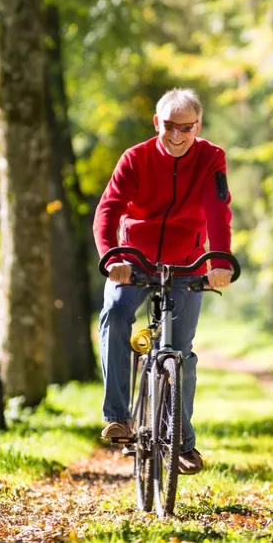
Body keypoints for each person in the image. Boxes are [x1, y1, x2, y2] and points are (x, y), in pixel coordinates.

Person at [93, 87, 234, 475]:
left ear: (198, 125)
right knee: (117, 314)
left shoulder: (210, 157)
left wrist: (219, 261)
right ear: (157, 122)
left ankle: (182, 442)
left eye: (185, 128)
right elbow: (108, 211)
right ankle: (118, 415)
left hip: (187, 264)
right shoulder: (135, 158)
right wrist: (112, 256)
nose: (176, 136)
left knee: (181, 354)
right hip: (132, 260)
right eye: (169, 126)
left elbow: (217, 210)